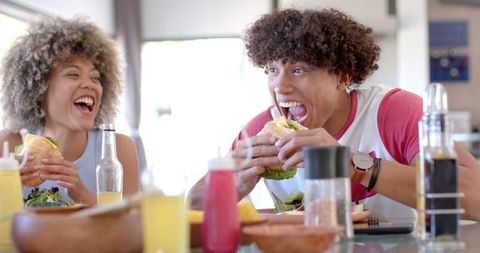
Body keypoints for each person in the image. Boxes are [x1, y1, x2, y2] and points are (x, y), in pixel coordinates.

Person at [190, 8, 480, 221]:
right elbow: (191, 210)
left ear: (342, 77)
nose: (280, 85)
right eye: (271, 70)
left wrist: (354, 165)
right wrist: (230, 186)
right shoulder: (258, 132)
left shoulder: (395, 112)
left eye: (299, 69)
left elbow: (475, 196)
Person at [0, 16, 140, 206]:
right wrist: (7, 187)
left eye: (95, 78)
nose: (90, 85)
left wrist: (81, 193)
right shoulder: (9, 144)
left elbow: (131, 229)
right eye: (73, 74)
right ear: (39, 88)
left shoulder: (117, 150)